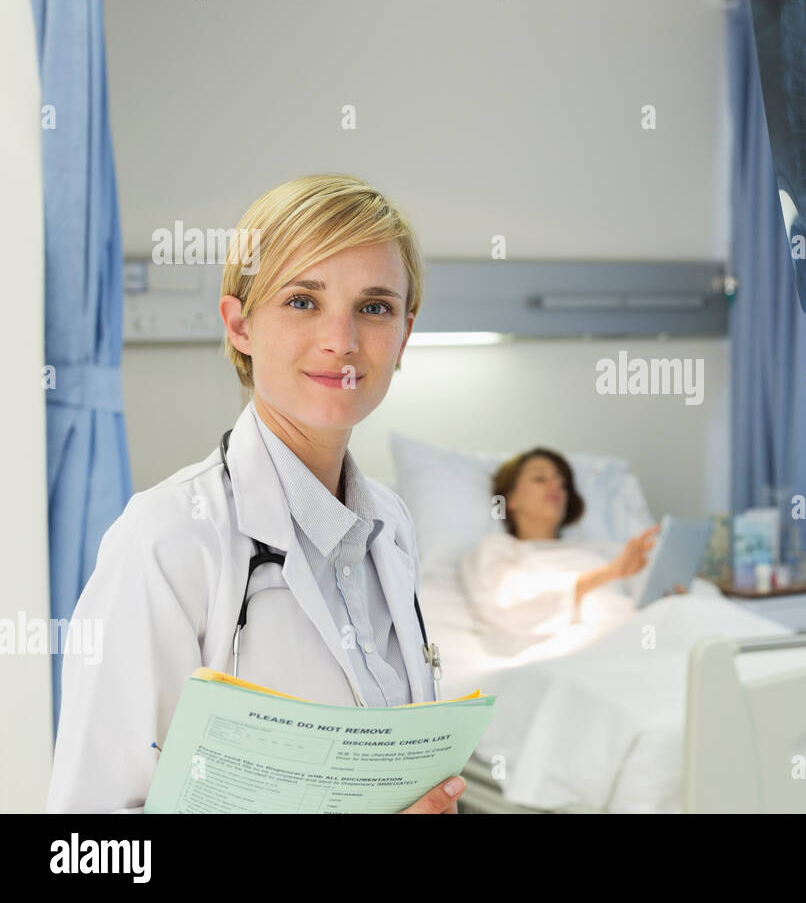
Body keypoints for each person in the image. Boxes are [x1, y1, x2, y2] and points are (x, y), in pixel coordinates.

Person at [48, 174, 463, 814]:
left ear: (405, 334)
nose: (342, 340)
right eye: (302, 301)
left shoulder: (391, 526)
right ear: (240, 324)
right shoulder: (168, 540)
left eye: (374, 307)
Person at [459, 448, 659, 655]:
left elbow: (646, 599)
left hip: (641, 637)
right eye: (539, 479)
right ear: (510, 499)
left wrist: (669, 594)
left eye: (562, 483)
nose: (555, 486)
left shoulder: (602, 550)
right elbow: (506, 605)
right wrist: (606, 574)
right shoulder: (495, 549)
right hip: (571, 650)